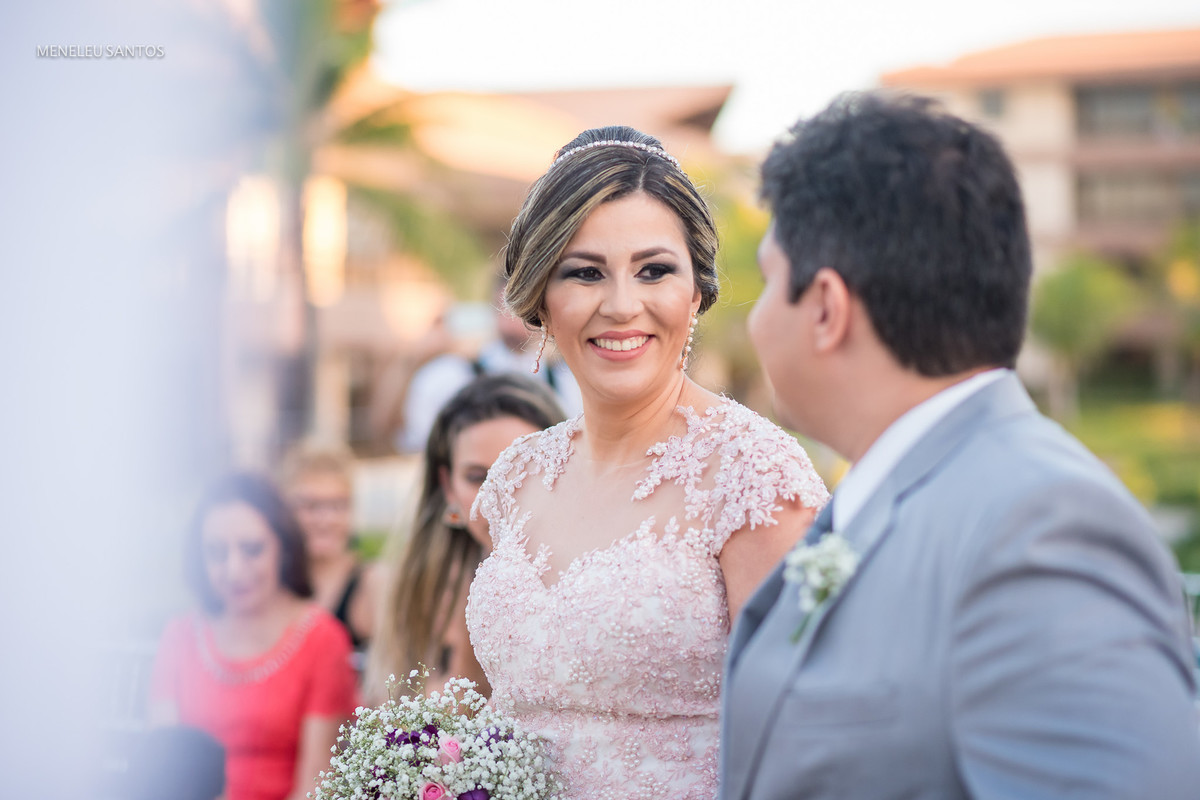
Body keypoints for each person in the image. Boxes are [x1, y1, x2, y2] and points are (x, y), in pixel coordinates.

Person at [721, 92, 1200, 800]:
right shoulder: (893, 488)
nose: (755, 320)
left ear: (826, 307)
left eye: (766, 282)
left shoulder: (1039, 530)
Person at [466, 126, 830, 799]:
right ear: (543, 294)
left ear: (695, 291)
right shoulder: (514, 480)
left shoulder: (754, 476)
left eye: (654, 270)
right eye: (585, 272)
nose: (622, 305)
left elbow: (805, 741)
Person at [148, 474, 358, 800]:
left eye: (252, 549)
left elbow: (316, 787)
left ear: (283, 548)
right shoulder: (179, 636)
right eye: (216, 552)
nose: (234, 569)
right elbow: (163, 769)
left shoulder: (323, 639)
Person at [363, 373, 566, 705]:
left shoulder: (595, 580)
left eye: (522, 469)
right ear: (448, 487)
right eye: (477, 477)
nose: (500, 497)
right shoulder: (424, 591)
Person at [392, 277, 584, 454]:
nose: (516, 319)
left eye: (527, 308)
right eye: (508, 309)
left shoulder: (569, 380)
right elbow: (420, 447)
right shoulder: (447, 376)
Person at [279, 445, 380, 667]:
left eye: (338, 505)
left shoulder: (372, 587)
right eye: (311, 506)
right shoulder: (272, 585)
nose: (326, 519)